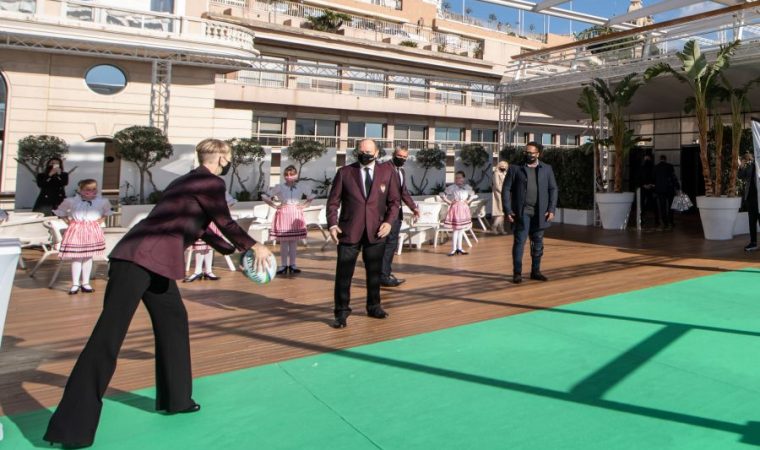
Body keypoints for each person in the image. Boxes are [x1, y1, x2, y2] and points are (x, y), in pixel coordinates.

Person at [43, 139, 272, 448]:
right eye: (226, 158)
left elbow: (201, 226)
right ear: (219, 157)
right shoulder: (211, 181)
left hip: (154, 261)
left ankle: (177, 399)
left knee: (174, 321)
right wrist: (253, 246)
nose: (226, 164)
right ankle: (70, 429)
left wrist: (234, 253)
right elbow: (224, 220)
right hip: (138, 260)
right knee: (107, 338)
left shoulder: (186, 180)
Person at [327, 139, 400, 329]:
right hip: (348, 231)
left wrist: (388, 222)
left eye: (368, 151)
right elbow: (333, 202)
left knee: (374, 273)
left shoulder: (387, 172)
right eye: (361, 151)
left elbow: (394, 202)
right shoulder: (345, 172)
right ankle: (341, 312)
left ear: (376, 153)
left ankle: (374, 306)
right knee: (344, 274)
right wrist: (333, 225)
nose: (364, 154)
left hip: (376, 231)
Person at [502, 142, 558, 284]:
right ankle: (517, 273)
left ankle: (536, 271)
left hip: (540, 213)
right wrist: (508, 209)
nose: (528, 155)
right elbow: (506, 189)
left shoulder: (546, 168)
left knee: (538, 243)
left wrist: (551, 209)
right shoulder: (515, 169)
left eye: (531, 153)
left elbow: (553, 189)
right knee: (520, 242)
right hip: (521, 213)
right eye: (526, 152)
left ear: (538, 154)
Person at [53, 179, 113, 295]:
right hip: (77, 229)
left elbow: (108, 211)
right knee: (76, 257)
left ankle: (85, 282)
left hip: (92, 229)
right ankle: (75, 283)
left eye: (94, 189)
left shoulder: (102, 201)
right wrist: (68, 221)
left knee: (88, 257)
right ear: (80, 190)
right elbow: (60, 211)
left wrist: (101, 219)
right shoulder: (72, 201)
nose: (91, 191)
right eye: (87, 189)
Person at [263, 165, 315, 275]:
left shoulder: (301, 186)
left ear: (296, 175)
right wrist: (275, 206)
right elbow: (266, 196)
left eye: (291, 174)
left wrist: (304, 206)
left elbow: (311, 196)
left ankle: (292, 264)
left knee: (294, 241)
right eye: (286, 174)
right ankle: (283, 265)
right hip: (284, 213)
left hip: (296, 213)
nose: (289, 177)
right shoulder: (280, 187)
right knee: (283, 242)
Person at [380, 145, 419, 287]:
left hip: (397, 214)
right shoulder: (384, 168)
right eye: (399, 156)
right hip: (385, 215)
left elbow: (404, 192)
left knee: (391, 245)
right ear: (393, 154)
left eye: (404, 157)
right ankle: (383, 276)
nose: (402, 159)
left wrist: (413, 207)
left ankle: (385, 273)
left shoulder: (401, 171)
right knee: (386, 246)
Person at [184, 191, 237, 282]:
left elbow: (231, 202)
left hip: (213, 220)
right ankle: (198, 270)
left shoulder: (220, 190)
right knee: (200, 247)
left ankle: (208, 270)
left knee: (209, 247)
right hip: (202, 220)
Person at [440, 171, 476, 256]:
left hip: (464, 209)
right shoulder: (452, 187)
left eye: (460, 177)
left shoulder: (467, 187)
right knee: (456, 229)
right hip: (455, 208)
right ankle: (453, 249)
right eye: (456, 178)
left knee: (461, 229)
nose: (458, 179)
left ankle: (460, 248)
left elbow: (473, 195)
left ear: (463, 178)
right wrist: (450, 202)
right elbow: (443, 195)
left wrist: (467, 201)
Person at [653, 154, 680, 231]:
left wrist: (655, 189)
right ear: (665, 159)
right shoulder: (670, 166)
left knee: (662, 207)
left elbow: (654, 179)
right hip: (669, 189)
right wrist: (677, 187)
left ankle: (664, 222)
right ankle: (671, 221)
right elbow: (673, 177)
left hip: (660, 190)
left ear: (660, 159)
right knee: (671, 206)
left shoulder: (656, 167)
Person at [739, 151, 759, 251]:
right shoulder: (751, 165)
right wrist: (742, 164)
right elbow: (741, 176)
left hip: (759, 198)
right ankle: (753, 242)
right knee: (752, 221)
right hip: (750, 197)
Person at [638, 153, 658, 229]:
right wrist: (652, 185)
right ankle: (656, 220)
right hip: (652, 188)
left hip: (644, 188)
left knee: (642, 204)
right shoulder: (654, 167)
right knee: (654, 204)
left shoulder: (641, 168)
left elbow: (639, 178)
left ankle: (642, 219)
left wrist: (644, 185)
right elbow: (655, 177)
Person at [491, 161, 509, 235]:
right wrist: (505, 192)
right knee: (500, 213)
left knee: (501, 213)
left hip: (503, 194)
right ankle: (494, 226)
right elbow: (497, 186)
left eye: (505, 166)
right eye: (502, 165)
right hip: (498, 195)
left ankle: (501, 229)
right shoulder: (496, 173)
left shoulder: (504, 173)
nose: (503, 167)